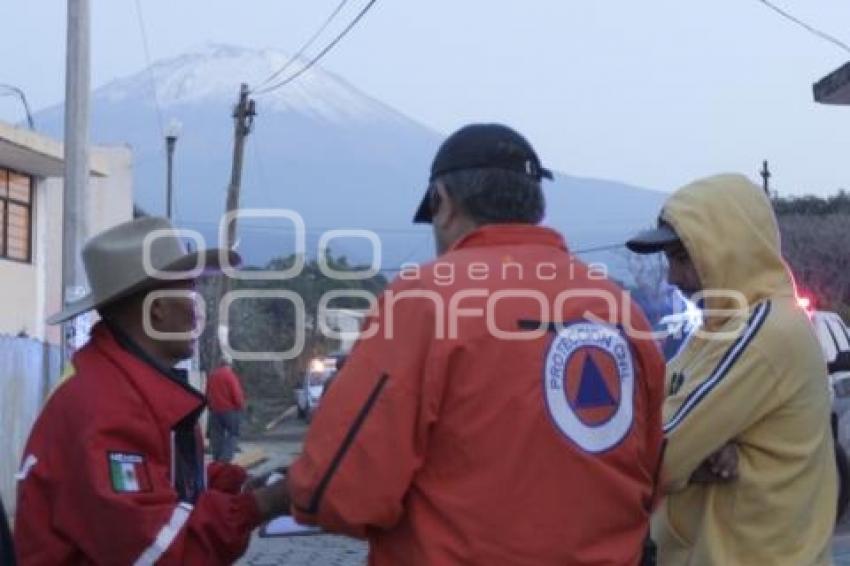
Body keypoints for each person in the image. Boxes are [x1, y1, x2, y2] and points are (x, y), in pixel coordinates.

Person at [280, 124, 667, 564]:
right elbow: (650, 474)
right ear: (536, 206)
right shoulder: (618, 307)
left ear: (442, 204)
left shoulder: (424, 299)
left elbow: (340, 491)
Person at [14, 217, 287, 565]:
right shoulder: (106, 405)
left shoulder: (120, 386)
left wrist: (240, 485)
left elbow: (166, 480)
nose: (196, 310)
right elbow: (156, 550)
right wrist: (262, 504)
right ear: (157, 309)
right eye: (189, 292)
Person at [626, 173, 837, 564]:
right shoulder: (716, 332)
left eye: (682, 257)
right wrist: (698, 449)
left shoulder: (764, 333)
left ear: (729, 248)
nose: (673, 278)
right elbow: (654, 411)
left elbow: (657, 454)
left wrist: (685, 455)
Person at [207, 357, 246, 463]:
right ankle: (225, 458)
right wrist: (241, 406)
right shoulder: (230, 375)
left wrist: (210, 406)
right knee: (233, 433)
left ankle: (217, 457)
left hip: (215, 410)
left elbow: (207, 392)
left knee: (217, 435)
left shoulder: (212, 376)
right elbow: (236, 393)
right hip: (229, 410)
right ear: (229, 365)